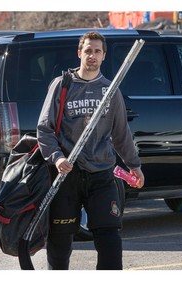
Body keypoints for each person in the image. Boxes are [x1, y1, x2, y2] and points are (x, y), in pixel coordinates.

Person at [37, 31, 145, 270]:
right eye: (88, 50)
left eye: (97, 51)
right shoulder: (62, 85)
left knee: (110, 241)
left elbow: (121, 133)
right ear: (79, 53)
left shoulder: (111, 90)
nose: (92, 55)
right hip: (67, 175)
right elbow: (44, 129)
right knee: (60, 243)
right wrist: (57, 158)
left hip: (102, 174)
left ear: (104, 56)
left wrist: (134, 165)